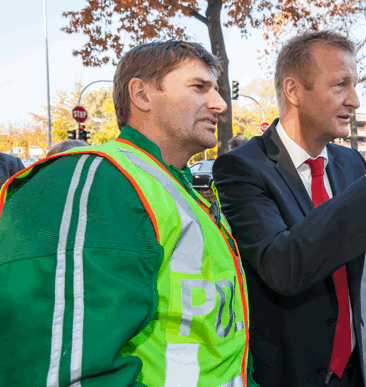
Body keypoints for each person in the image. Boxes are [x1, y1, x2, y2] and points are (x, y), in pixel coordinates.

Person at [213, 31, 366, 387]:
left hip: (349, 366)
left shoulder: (351, 163)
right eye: (340, 85)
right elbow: (282, 265)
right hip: (286, 373)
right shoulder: (241, 168)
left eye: (355, 85)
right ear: (293, 91)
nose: (355, 100)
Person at [0, 41, 257, 387]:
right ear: (142, 94)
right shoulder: (100, 180)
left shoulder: (177, 189)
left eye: (216, 89)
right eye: (199, 87)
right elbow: (69, 370)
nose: (221, 104)